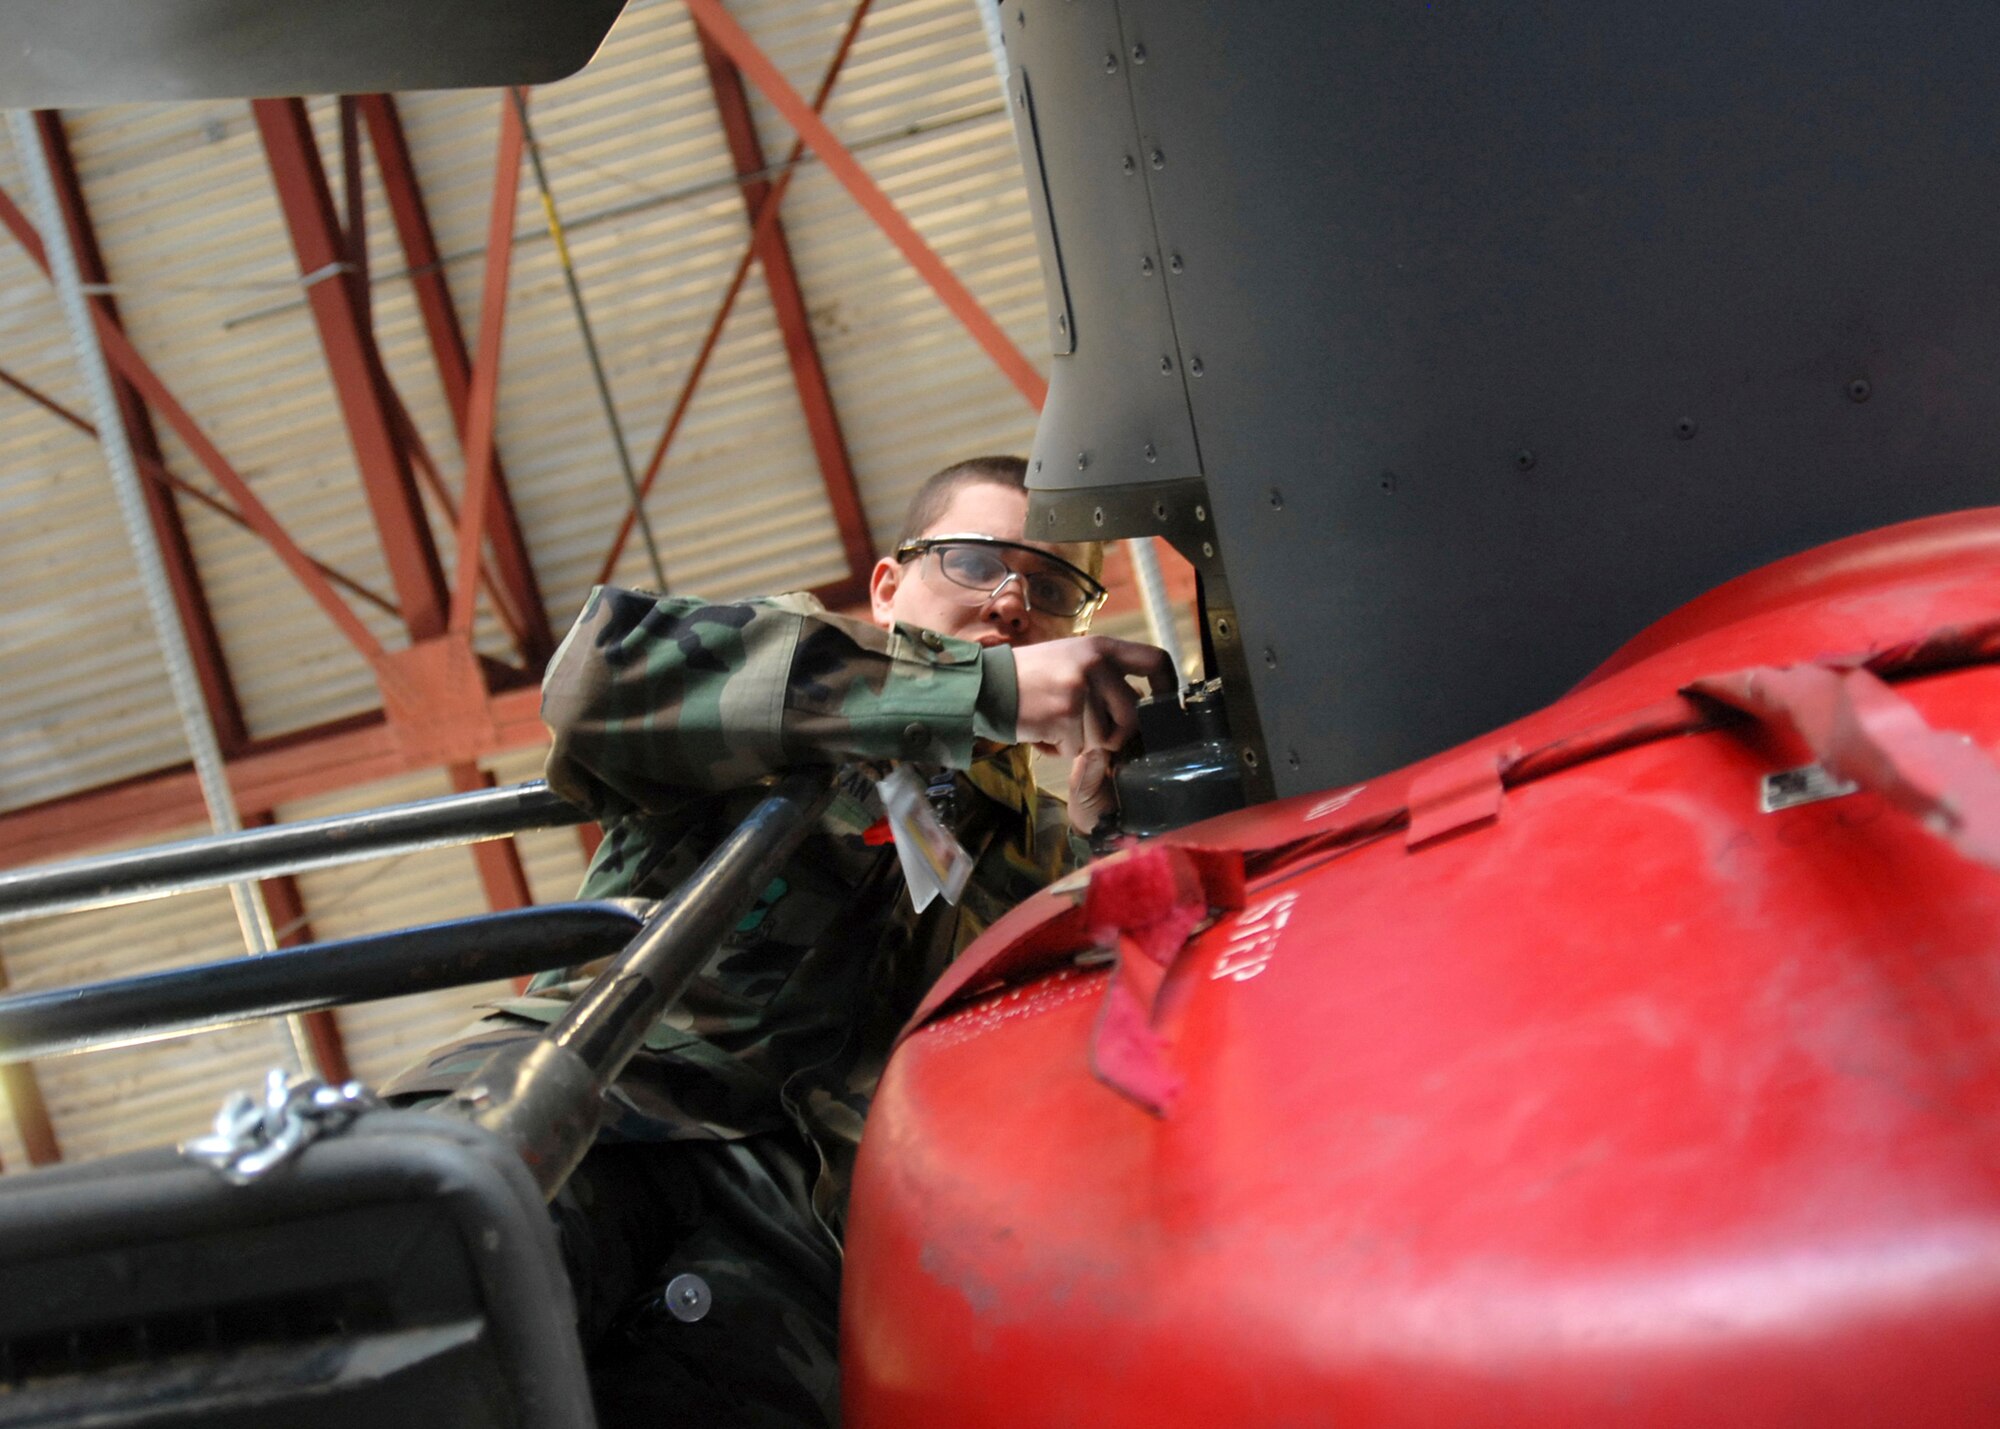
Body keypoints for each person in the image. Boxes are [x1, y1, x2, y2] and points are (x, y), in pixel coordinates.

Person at [387, 455, 1173, 1427]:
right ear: (890, 587)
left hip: (783, 1253)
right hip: (594, 1107)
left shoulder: (1030, 850)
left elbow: (1127, 1021)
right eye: (974, 561)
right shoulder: (782, 678)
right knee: (403, 1358)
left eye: (1052, 587)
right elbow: (598, 670)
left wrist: (1119, 826)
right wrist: (982, 695)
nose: (1012, 599)